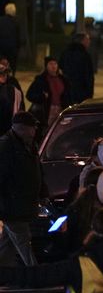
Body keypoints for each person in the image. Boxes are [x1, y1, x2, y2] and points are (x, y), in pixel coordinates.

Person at [0, 112, 41, 267]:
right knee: (24, 241)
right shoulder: (5, 146)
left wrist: (43, 193)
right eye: (32, 127)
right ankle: (36, 274)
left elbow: (37, 171)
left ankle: (3, 273)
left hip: (22, 204)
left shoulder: (29, 145)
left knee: (8, 243)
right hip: (11, 206)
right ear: (21, 128)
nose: (35, 130)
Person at [25, 56, 71, 129]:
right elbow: (29, 95)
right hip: (47, 111)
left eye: (55, 64)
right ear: (46, 66)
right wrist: (42, 97)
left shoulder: (64, 79)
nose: (53, 66)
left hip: (61, 110)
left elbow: (69, 94)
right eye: (51, 64)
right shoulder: (41, 80)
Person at [59, 32, 94, 104]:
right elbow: (88, 75)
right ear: (82, 41)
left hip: (67, 89)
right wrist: (89, 93)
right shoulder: (84, 55)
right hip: (82, 91)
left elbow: (60, 68)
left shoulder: (65, 52)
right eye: (87, 40)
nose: (89, 42)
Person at [0, 63, 24, 134]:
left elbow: (19, 108)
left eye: (5, 73)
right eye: (1, 73)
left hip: (8, 130)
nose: (4, 76)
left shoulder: (12, 90)